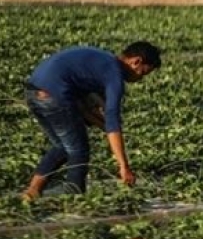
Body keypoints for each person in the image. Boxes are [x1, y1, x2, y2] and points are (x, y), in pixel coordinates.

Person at [21, 41, 162, 200]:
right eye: (142, 73)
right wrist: (124, 167)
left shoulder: (102, 61)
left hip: (33, 92)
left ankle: (33, 190)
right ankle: (74, 193)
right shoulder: (114, 74)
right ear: (136, 61)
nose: (140, 79)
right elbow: (112, 119)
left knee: (63, 145)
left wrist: (108, 129)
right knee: (79, 149)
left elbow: (86, 110)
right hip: (54, 95)